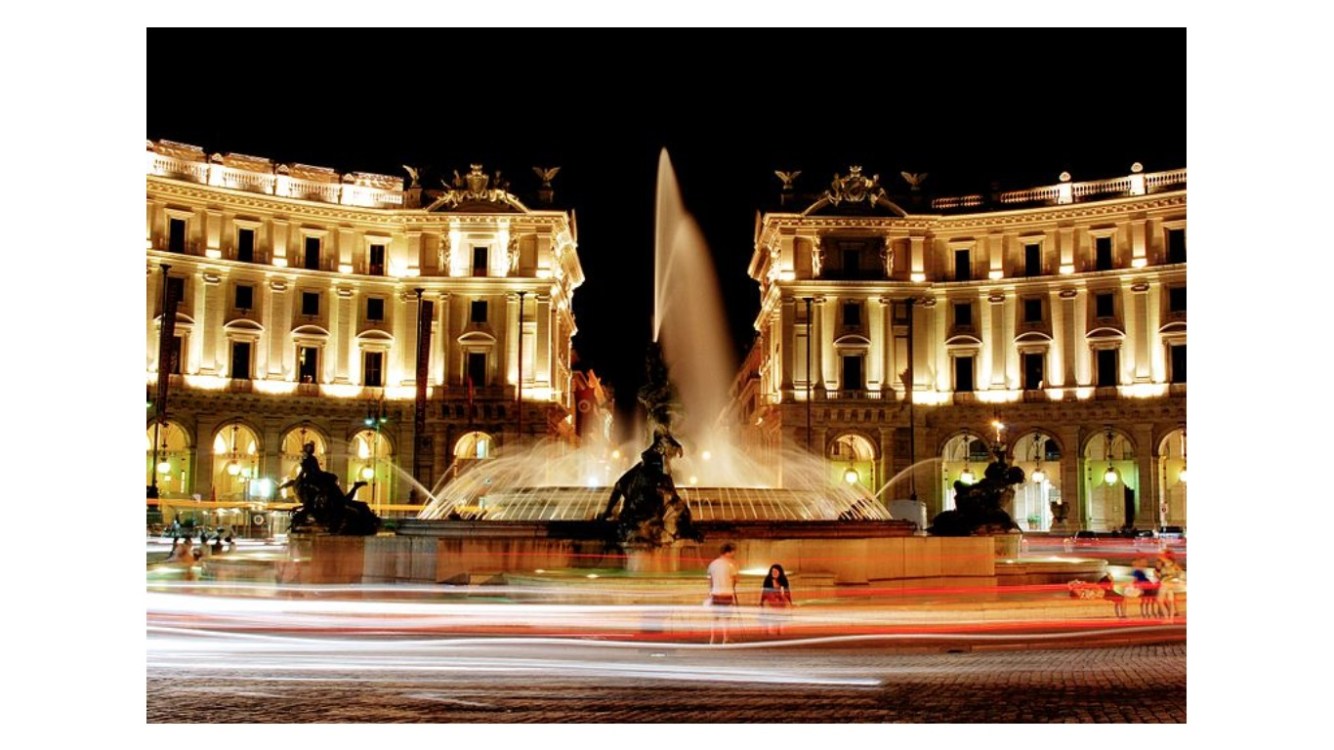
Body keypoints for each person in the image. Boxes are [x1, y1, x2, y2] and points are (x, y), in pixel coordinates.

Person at [706, 542, 739, 644]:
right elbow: (735, 579)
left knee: (715, 617)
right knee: (726, 618)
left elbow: (710, 580)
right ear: (728, 552)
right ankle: (725, 638)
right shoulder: (730, 565)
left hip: (715, 594)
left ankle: (712, 638)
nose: (734, 554)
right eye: (733, 552)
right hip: (727, 594)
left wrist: (711, 591)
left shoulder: (713, 564)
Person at [758, 564, 794, 635]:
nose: (774, 573)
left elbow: (787, 592)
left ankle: (779, 627)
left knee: (783, 607)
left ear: (780, 573)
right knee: (766, 607)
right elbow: (764, 592)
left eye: (776, 572)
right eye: (773, 572)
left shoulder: (783, 580)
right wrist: (761, 602)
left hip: (780, 599)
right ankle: (767, 628)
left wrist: (789, 601)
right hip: (769, 598)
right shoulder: (768, 580)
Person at [1155, 550, 1185, 622]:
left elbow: (1159, 556)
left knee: (1160, 600)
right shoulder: (1173, 563)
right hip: (1171, 583)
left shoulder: (1167, 562)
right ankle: (1170, 619)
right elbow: (1180, 571)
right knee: (1170, 601)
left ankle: (1167, 618)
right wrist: (1175, 577)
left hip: (1166, 583)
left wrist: (1163, 550)